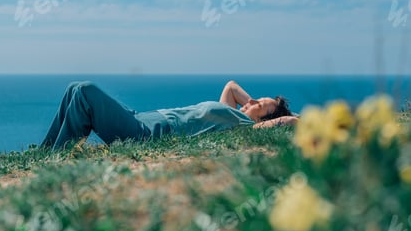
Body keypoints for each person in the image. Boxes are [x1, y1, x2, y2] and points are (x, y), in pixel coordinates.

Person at [41, 80, 298, 150]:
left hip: (145, 133)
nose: (250, 101)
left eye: (259, 106)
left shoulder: (242, 127)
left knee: (86, 91)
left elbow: (288, 121)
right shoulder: (232, 115)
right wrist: (258, 104)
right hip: (140, 118)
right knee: (74, 88)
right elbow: (231, 86)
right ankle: (46, 151)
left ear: (264, 121)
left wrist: (304, 119)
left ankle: (59, 155)